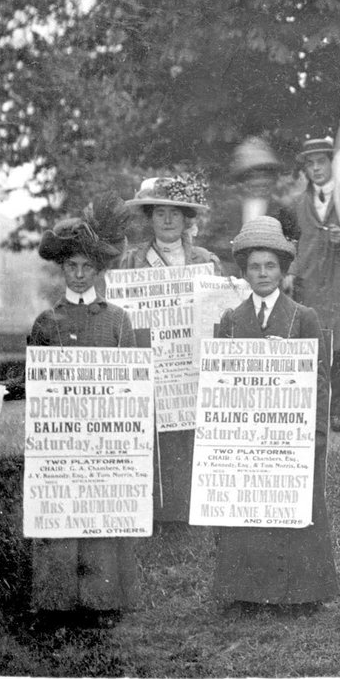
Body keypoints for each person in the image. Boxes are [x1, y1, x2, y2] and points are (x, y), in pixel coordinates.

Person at [213, 216, 338, 614]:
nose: (263, 274)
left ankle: (299, 594)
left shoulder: (303, 317)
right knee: (246, 509)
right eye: (254, 267)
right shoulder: (231, 321)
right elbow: (220, 384)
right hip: (247, 436)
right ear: (244, 272)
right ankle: (245, 592)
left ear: (283, 270)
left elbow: (320, 379)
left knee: (298, 509)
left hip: (293, 436)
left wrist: (317, 433)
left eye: (270, 266)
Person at [28, 199, 139, 626]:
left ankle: (102, 602)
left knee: (101, 513)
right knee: (58, 511)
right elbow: (36, 384)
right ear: (62, 270)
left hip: (105, 438)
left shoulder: (117, 321)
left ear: (99, 271)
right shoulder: (46, 323)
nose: (78, 274)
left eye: (85, 267)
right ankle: (55, 602)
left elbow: (131, 385)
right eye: (70, 266)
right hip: (60, 437)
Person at [117, 175, 222, 523]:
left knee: (190, 436)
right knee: (158, 437)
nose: (166, 220)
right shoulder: (132, 262)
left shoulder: (205, 260)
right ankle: (160, 509)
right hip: (154, 362)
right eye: (159, 212)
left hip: (192, 364)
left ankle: (194, 506)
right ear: (149, 218)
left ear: (186, 219)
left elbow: (218, 315)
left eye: (174, 213)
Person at [283, 136, 340, 433]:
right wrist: (291, 271)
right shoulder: (297, 204)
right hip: (309, 281)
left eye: (322, 161)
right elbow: (292, 242)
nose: (316, 168)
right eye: (310, 163)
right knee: (310, 343)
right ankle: (312, 408)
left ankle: (337, 411)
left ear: (332, 164)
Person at [230, 136, 301, 245]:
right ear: (244, 181)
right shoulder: (229, 212)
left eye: (265, 176)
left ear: (273, 179)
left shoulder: (284, 214)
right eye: (253, 176)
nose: (260, 182)